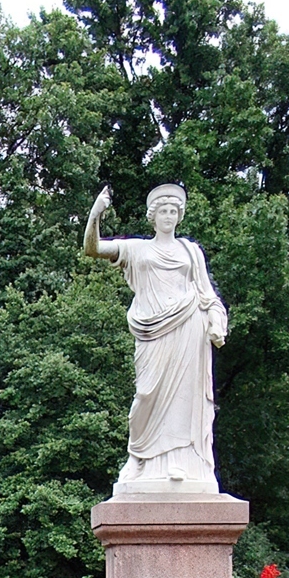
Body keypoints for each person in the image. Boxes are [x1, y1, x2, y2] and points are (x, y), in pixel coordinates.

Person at [83, 183, 229, 494]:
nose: (168, 216)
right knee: (146, 394)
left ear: (179, 216)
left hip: (189, 325)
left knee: (185, 396)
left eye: (173, 211)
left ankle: (182, 462)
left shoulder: (191, 252)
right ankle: (140, 458)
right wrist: (95, 215)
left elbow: (207, 294)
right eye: (163, 211)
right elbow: (92, 249)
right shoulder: (138, 249)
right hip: (151, 330)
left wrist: (216, 321)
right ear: (153, 216)